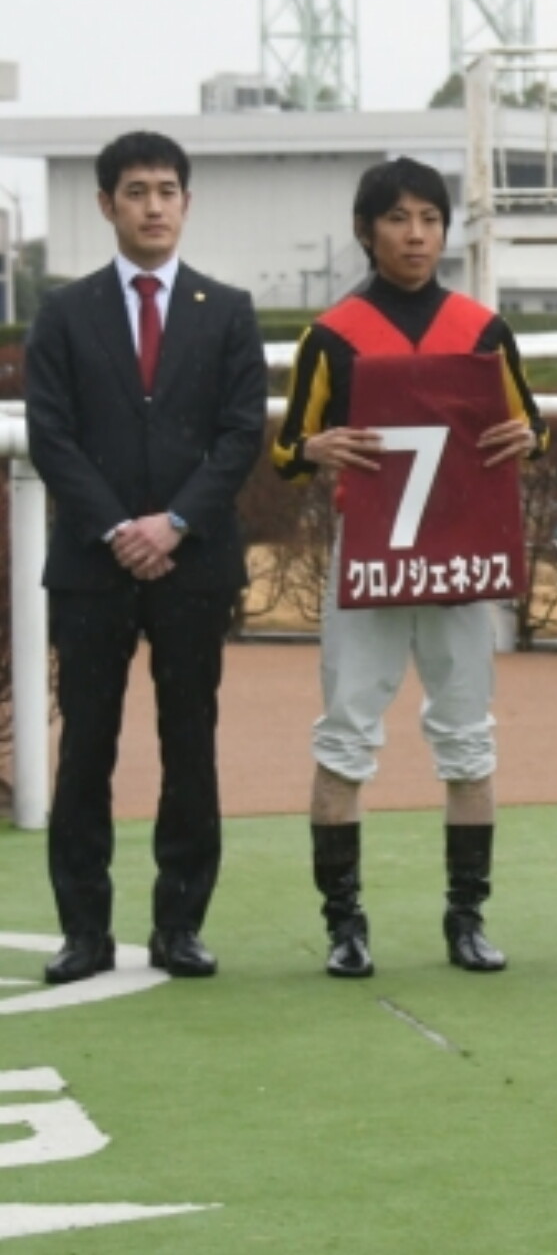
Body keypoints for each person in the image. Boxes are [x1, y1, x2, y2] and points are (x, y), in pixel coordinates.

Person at [272, 157, 546, 979]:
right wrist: (312, 449)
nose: (416, 233)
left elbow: (529, 422)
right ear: (367, 230)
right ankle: (344, 926)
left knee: (469, 743)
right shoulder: (331, 335)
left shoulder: (483, 328)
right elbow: (288, 447)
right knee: (346, 737)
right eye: (398, 218)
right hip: (372, 567)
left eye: (429, 217)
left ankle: (467, 919)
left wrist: (531, 438)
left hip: (460, 565)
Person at [25, 131, 268, 984]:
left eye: (167, 190)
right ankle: (84, 932)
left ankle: (180, 927)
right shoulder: (62, 313)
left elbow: (243, 434)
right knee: (86, 747)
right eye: (136, 191)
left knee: (188, 742)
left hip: (193, 567)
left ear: (187, 203)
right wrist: (120, 531)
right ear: (106, 205)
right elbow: (50, 436)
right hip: (92, 572)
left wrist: (173, 525)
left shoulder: (228, 310)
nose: (154, 206)